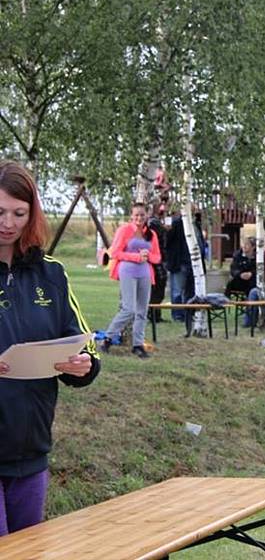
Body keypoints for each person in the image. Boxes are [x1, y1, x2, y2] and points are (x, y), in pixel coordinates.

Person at [0, 160, 100, 536]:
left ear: (32, 214)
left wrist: (82, 364)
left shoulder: (52, 274)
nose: (8, 222)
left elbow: (84, 344)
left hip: (31, 451)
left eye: (18, 213)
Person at [101, 202, 162, 359]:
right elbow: (115, 252)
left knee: (142, 311)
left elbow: (157, 257)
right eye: (136, 215)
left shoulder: (151, 234)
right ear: (131, 216)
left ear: (146, 215)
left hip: (145, 273)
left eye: (142, 215)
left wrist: (148, 256)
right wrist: (136, 257)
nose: (139, 218)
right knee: (129, 309)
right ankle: (108, 338)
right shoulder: (125, 230)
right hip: (128, 271)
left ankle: (138, 345)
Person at [164, 209, 205, 321]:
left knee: (191, 290)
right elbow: (167, 241)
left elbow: (200, 241)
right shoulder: (177, 223)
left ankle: (189, 314)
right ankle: (177, 314)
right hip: (180, 262)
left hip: (194, 263)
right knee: (177, 290)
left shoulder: (196, 224)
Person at [147, 206, 169, 323]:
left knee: (157, 291)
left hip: (159, 259)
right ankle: (153, 315)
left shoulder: (155, 223)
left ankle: (155, 314)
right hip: (156, 261)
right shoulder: (153, 223)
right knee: (156, 290)